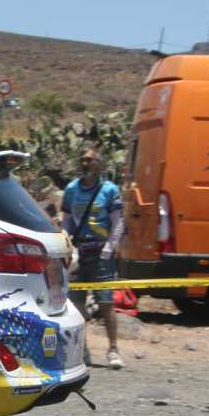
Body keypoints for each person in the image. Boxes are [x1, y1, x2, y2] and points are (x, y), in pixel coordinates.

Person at [62, 147, 125, 369]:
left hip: (101, 253)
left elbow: (118, 221)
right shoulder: (71, 189)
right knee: (77, 303)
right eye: (83, 160)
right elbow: (67, 219)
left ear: (99, 163)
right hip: (80, 252)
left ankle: (113, 349)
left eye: (90, 160)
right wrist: (66, 242)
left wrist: (110, 247)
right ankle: (82, 349)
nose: (86, 163)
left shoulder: (109, 190)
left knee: (106, 302)